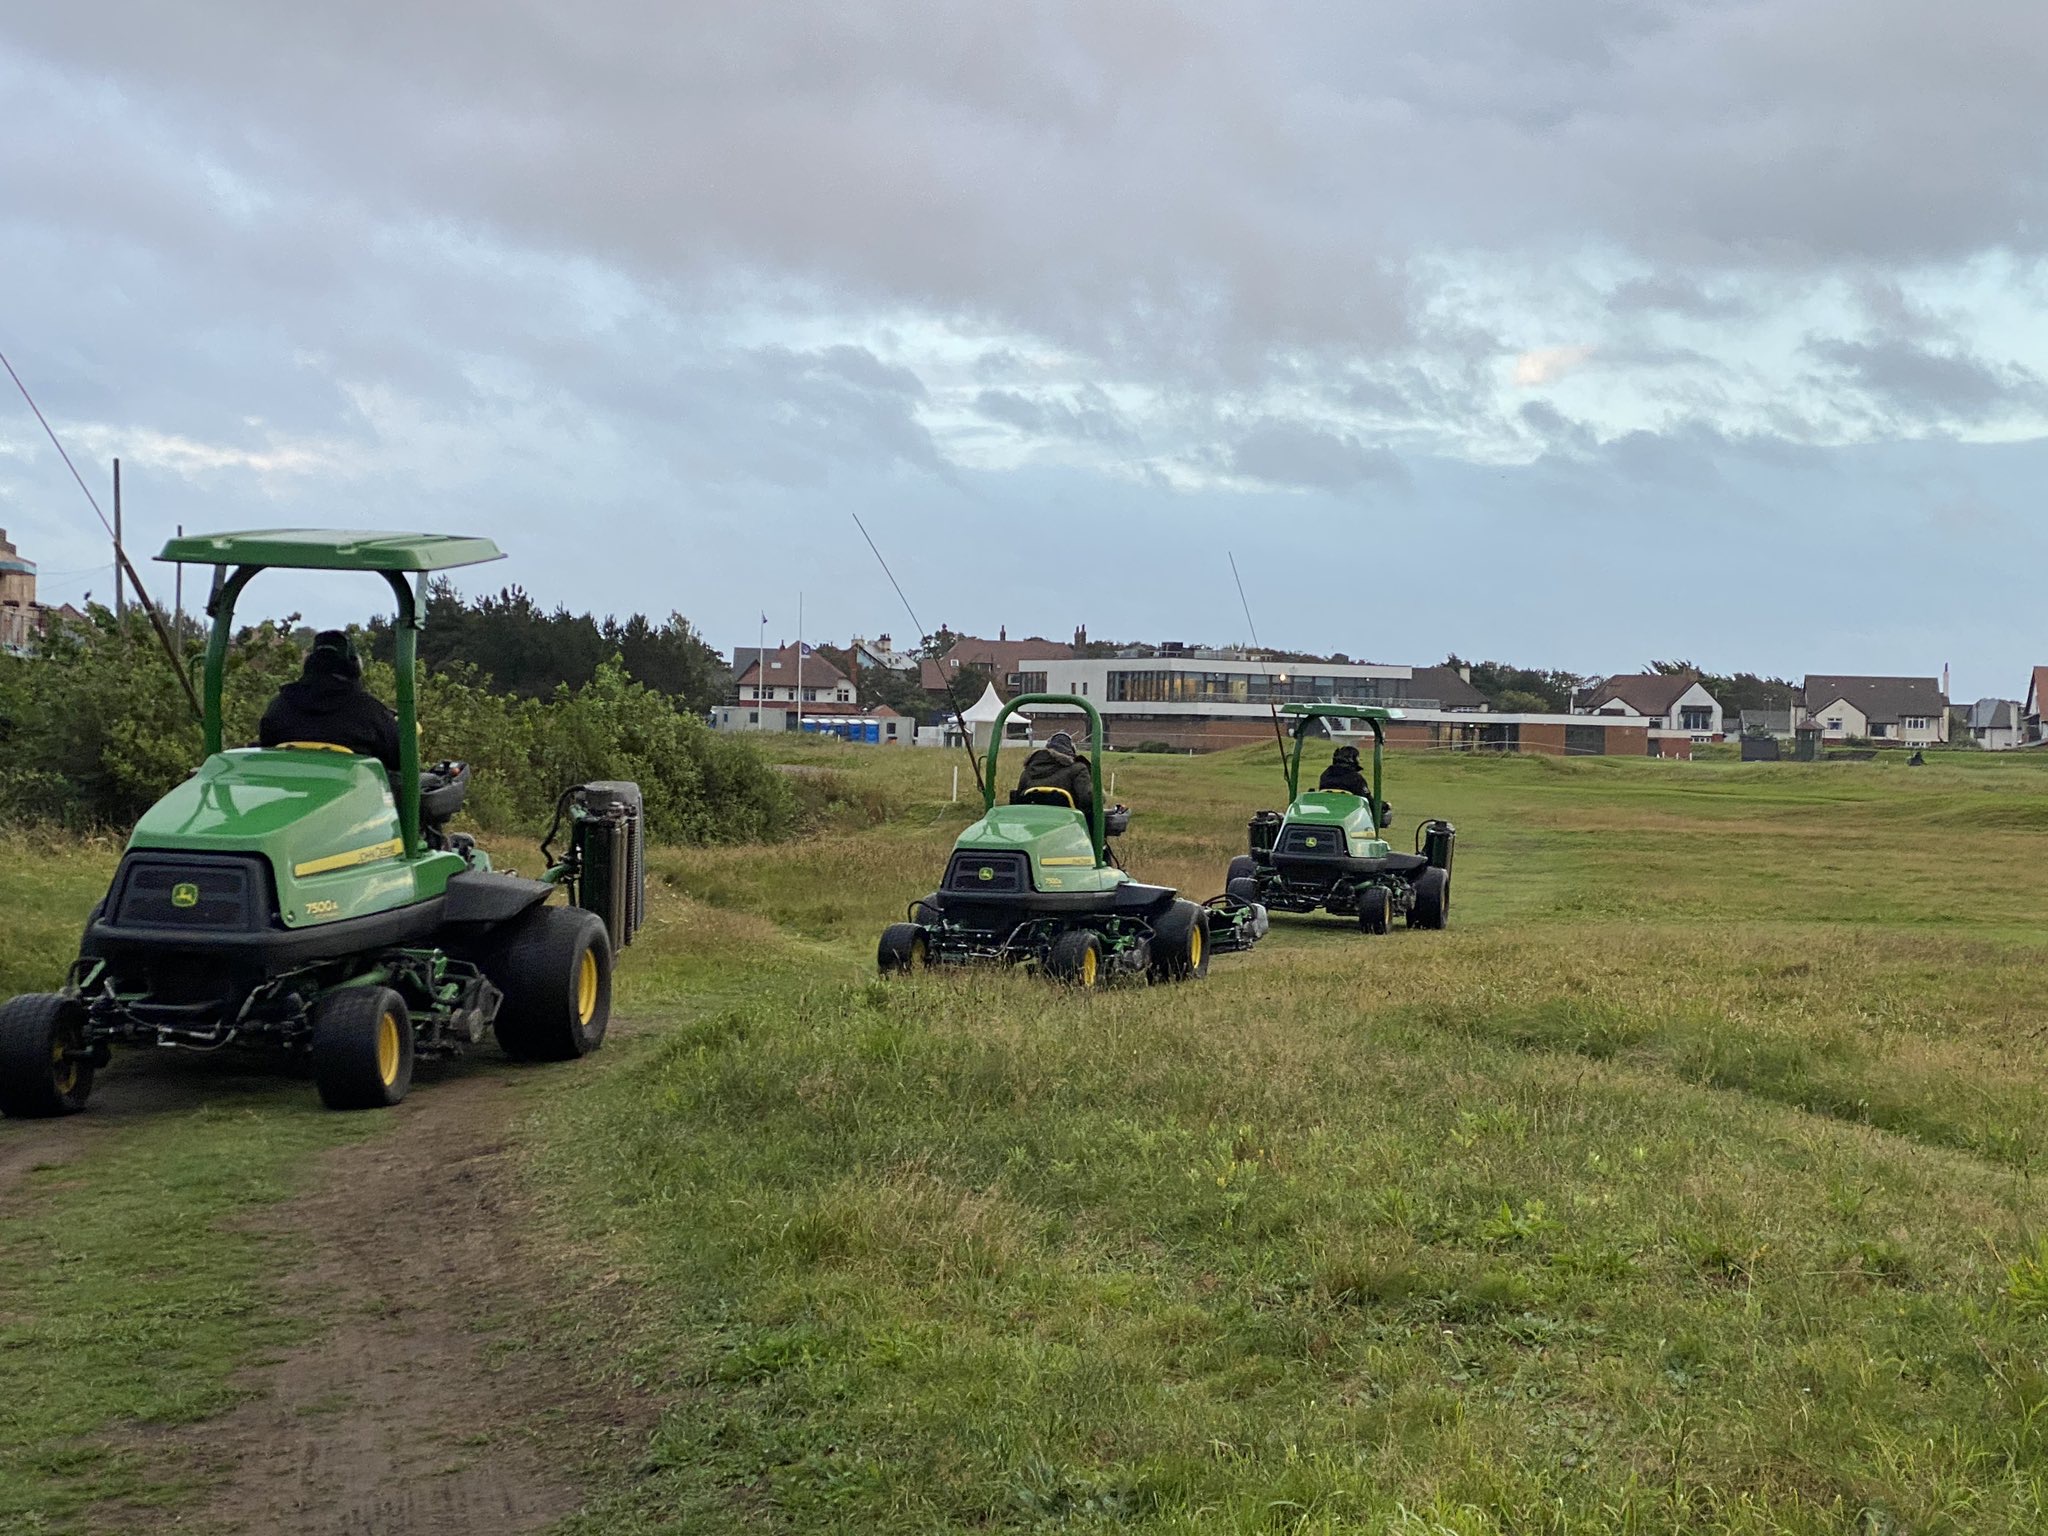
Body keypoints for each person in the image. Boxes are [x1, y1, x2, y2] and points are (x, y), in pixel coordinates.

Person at [259, 629, 402, 773]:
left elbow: (266, 745)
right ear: (355, 666)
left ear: (309, 663)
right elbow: (398, 759)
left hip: (287, 788)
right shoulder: (370, 711)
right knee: (423, 782)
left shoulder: (279, 706)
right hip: (354, 789)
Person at [1013, 729, 1094, 813]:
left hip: (1032, 820)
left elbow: (1019, 801)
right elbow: (1087, 800)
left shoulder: (1027, 772)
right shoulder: (1078, 769)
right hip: (1068, 821)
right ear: (1071, 751)